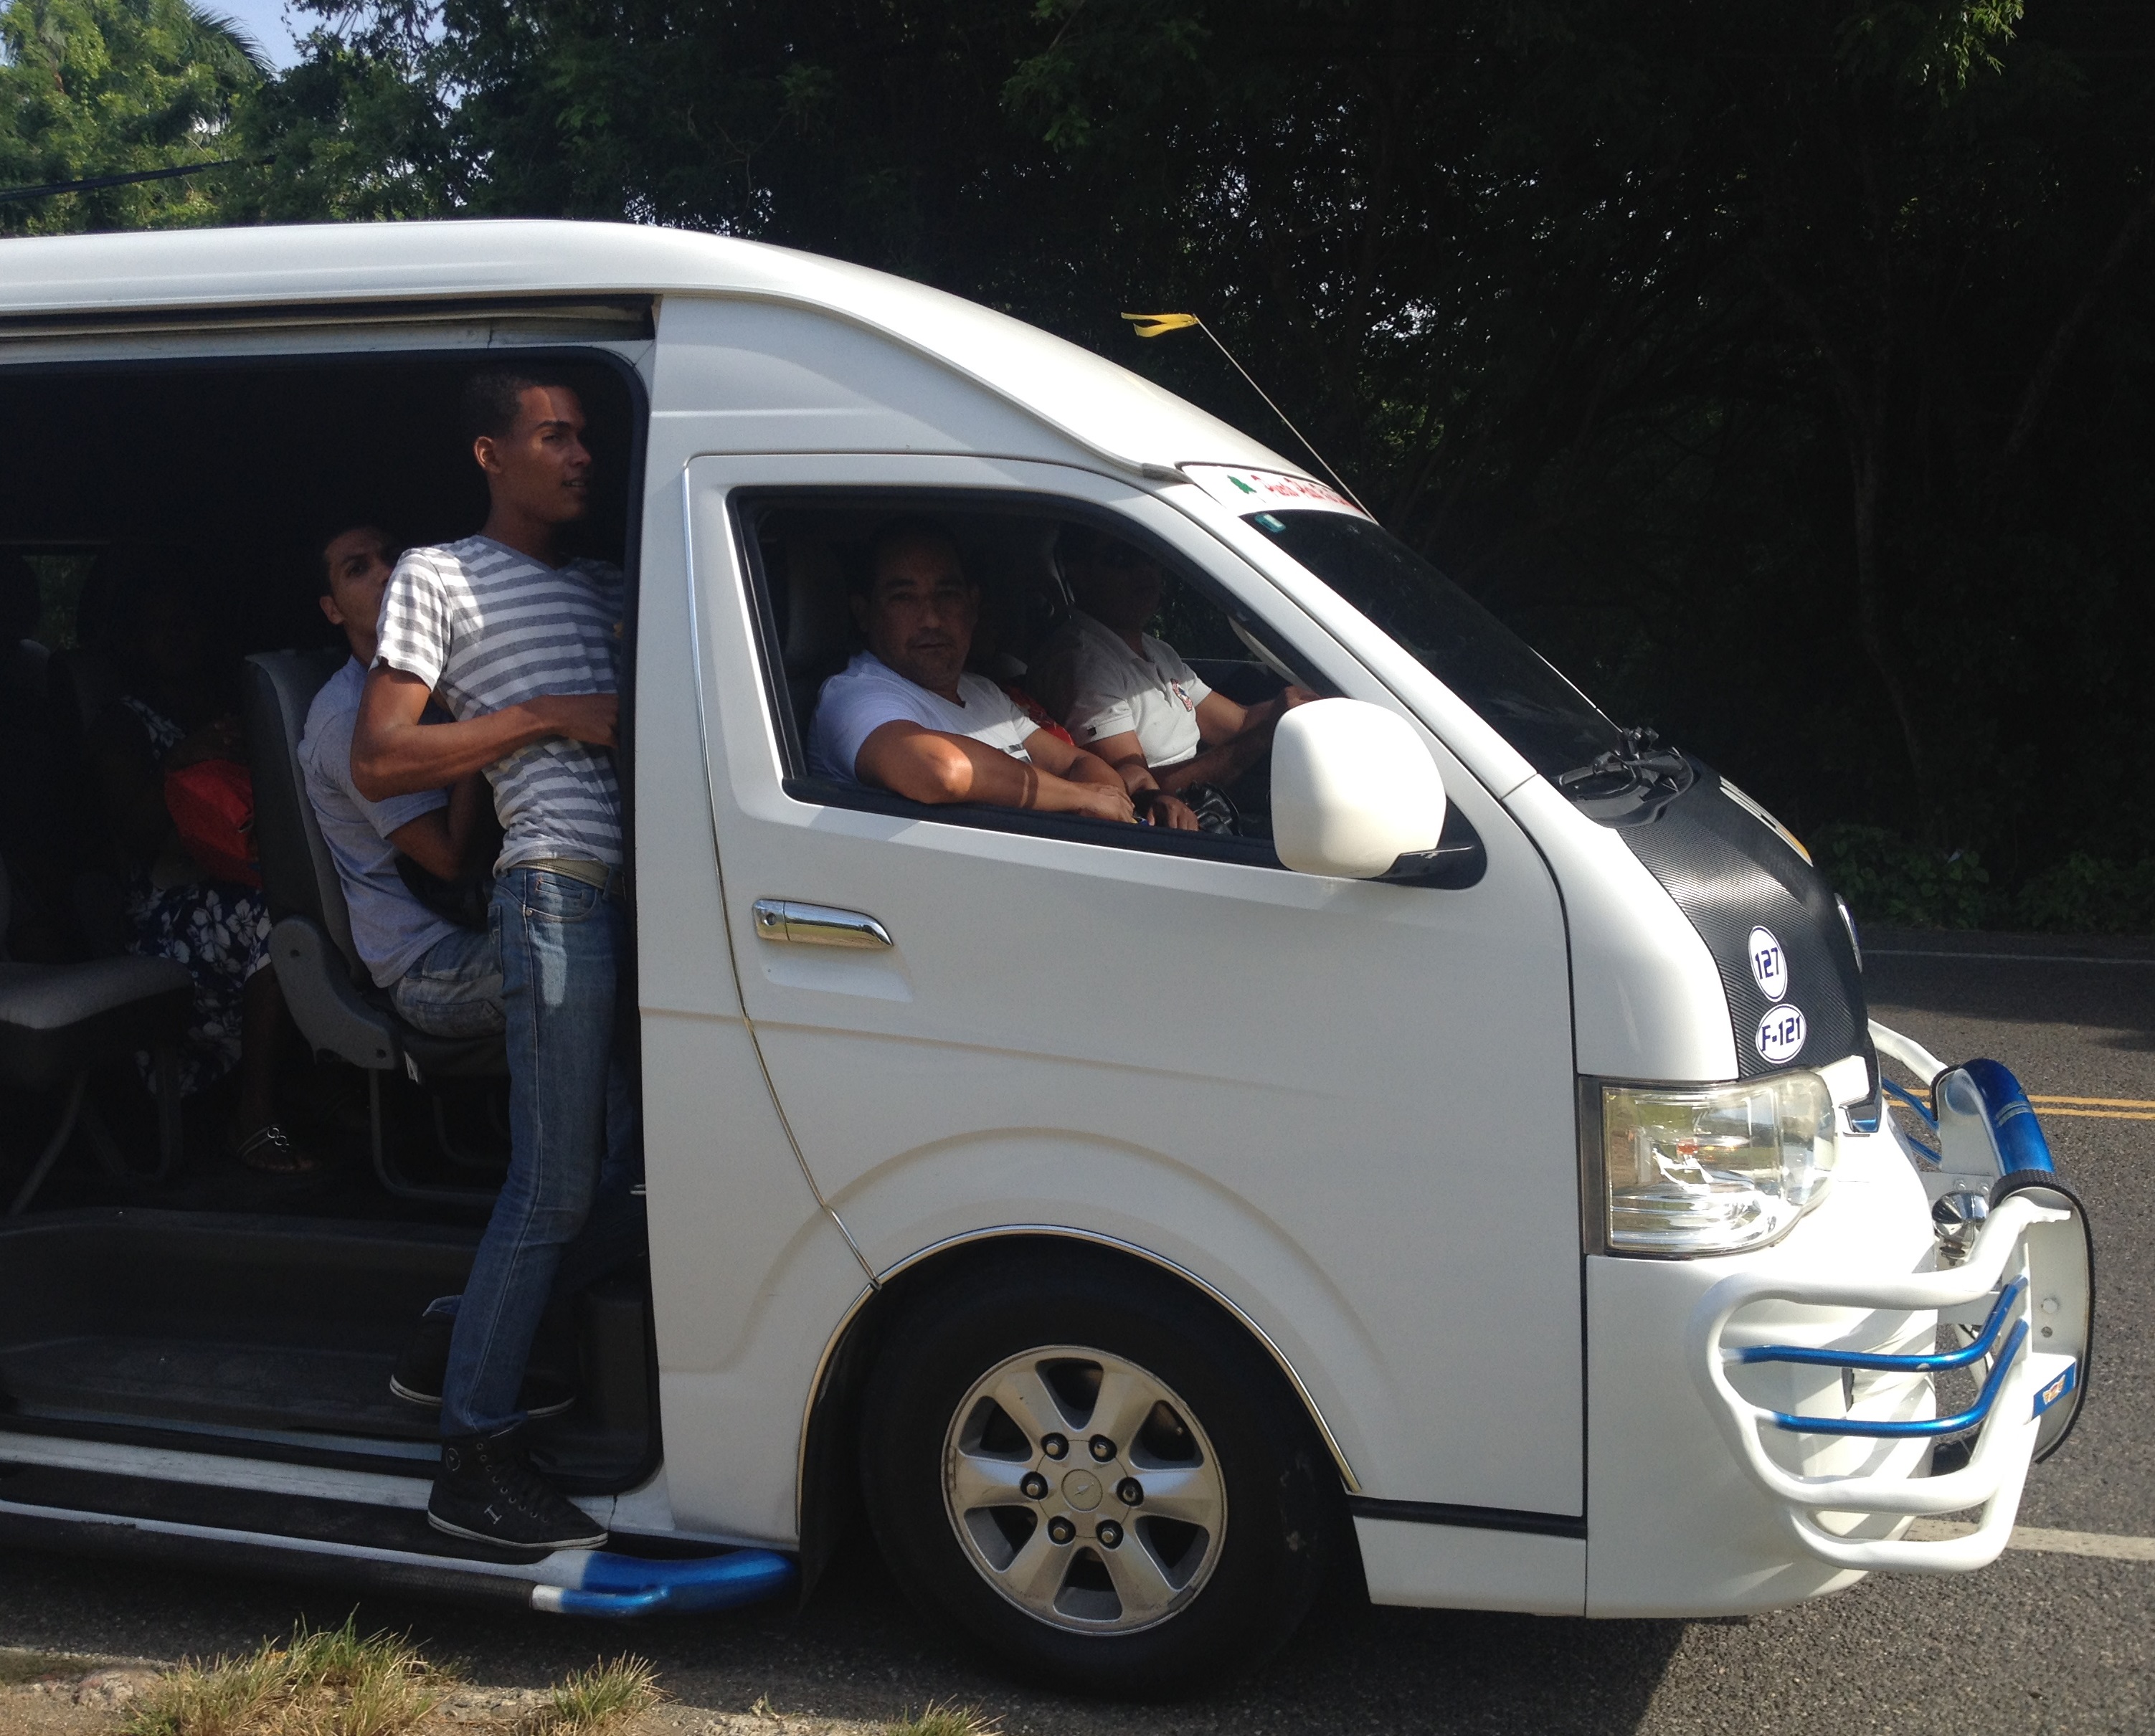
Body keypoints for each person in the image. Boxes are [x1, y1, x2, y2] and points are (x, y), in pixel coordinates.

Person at [351, 369, 640, 1552]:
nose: (580, 456)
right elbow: (381, 760)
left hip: (643, 902)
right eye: (554, 437)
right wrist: (544, 717)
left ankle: (459, 1333)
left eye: (585, 438)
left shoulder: (610, 581)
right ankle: (472, 1450)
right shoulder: (440, 575)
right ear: (491, 452)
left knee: (632, 1170)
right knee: (557, 1180)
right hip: (553, 892)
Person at [83, 549, 311, 1172]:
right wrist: (180, 761)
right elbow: (136, 832)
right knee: (276, 917)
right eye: (163, 627)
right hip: (168, 904)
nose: (179, 638)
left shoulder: (232, 705)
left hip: (249, 868)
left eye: (188, 623)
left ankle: (327, 1082)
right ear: (137, 640)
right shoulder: (122, 725)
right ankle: (253, 1114)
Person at [299, 523, 503, 1040]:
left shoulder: (438, 668)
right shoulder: (349, 716)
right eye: (357, 569)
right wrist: (486, 724)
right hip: (429, 961)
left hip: (494, 913)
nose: (386, 573)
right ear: (332, 610)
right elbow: (450, 860)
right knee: (598, 967)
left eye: (391, 557)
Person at [807, 519, 1137, 823]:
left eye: (947, 595)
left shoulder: (982, 692)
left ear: (972, 606)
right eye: (904, 598)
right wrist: (1081, 796)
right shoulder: (854, 697)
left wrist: (1101, 808)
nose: (931, 619)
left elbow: (1078, 762)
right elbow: (939, 771)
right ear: (864, 614)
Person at [1045, 527, 1318, 831]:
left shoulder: (1155, 649)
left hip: (1209, 804)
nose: (1144, 570)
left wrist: (1304, 707)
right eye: (1122, 558)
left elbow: (1236, 724)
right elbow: (1141, 790)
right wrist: (1263, 734)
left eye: (1150, 556)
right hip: (1175, 827)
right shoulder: (1085, 663)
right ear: (1079, 572)